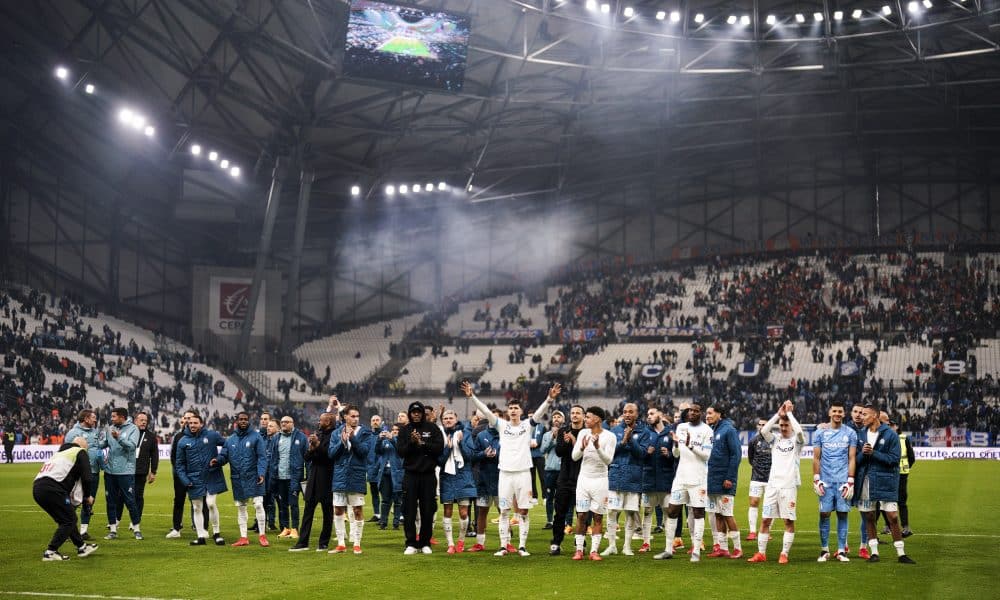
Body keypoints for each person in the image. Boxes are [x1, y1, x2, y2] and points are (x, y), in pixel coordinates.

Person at [463, 380, 561, 557]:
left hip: (523, 473)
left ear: (521, 411)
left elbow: (539, 413)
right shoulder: (502, 425)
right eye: (511, 408)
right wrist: (472, 397)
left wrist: (549, 399)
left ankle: (522, 546)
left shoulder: (527, 425)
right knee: (505, 510)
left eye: (517, 408)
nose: (514, 410)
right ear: (508, 412)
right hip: (505, 474)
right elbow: (485, 410)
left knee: (523, 511)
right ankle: (503, 546)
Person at [853, 403, 916, 564]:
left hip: (885, 480)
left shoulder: (890, 435)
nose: (861, 417)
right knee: (869, 516)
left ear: (874, 416)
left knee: (893, 517)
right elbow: (856, 460)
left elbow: (894, 460)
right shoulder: (860, 434)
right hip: (866, 480)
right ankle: (874, 552)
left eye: (865, 414)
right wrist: (864, 455)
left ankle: (901, 554)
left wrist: (873, 453)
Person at [748, 401, 805, 564]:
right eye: (781, 425)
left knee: (788, 521)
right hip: (772, 487)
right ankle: (761, 553)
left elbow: (800, 432)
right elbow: (764, 430)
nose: (783, 427)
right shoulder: (775, 441)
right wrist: (778, 414)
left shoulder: (797, 442)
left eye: (786, 425)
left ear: (791, 426)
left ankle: (784, 553)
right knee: (765, 520)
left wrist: (790, 414)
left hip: (788, 487)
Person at [656, 403, 712, 561]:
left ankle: (696, 551)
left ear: (700, 413)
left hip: (698, 479)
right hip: (680, 478)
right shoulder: (681, 427)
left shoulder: (707, 431)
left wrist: (690, 445)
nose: (692, 413)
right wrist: (675, 445)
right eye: (690, 411)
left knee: (698, 513)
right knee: (672, 511)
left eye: (696, 411)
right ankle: (668, 549)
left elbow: (706, 456)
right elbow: (676, 454)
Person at [32, 436, 99, 561]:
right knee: (69, 519)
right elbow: (87, 478)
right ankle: (51, 551)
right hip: (53, 488)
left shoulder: (59, 453)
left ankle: (82, 547)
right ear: (82, 446)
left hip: (38, 488)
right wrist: (87, 496)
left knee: (67, 518)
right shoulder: (80, 452)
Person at [397, 401, 445, 555]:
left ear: (423, 413)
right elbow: (400, 451)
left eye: (418, 412)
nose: (416, 414)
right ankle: (410, 543)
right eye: (413, 412)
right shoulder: (405, 430)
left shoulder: (432, 428)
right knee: (409, 510)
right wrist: (411, 443)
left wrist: (422, 443)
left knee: (427, 510)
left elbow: (439, 448)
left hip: (428, 475)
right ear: (410, 414)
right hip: (410, 475)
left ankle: (425, 542)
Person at [812, 400, 857, 562]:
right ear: (829, 413)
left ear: (844, 414)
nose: (837, 414)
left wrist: (850, 480)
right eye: (835, 411)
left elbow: (852, 458)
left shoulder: (850, 433)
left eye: (840, 411)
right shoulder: (820, 433)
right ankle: (824, 550)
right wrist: (816, 479)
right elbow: (816, 458)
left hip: (843, 481)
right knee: (824, 514)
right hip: (826, 481)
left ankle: (841, 551)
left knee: (842, 514)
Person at [602, 402, 649, 556]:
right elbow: (610, 454)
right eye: (624, 412)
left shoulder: (644, 432)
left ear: (636, 414)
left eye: (630, 412)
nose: (627, 414)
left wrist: (630, 440)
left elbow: (642, 454)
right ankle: (612, 545)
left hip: (633, 477)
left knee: (630, 513)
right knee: (612, 512)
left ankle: (627, 546)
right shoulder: (614, 431)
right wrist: (623, 442)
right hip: (616, 475)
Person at [570, 406, 616, 561]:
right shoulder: (583, 433)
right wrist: (582, 447)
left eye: (588, 417)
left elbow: (608, 460)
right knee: (581, 515)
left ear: (597, 419)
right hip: (584, 480)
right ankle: (579, 550)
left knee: (597, 517)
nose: (585, 419)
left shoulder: (610, 437)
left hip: (601, 481)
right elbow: (574, 457)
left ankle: (594, 551)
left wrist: (597, 448)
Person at [174, 412, 227, 546]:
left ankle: (216, 534)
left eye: (195, 423)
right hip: (193, 479)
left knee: (210, 503)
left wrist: (220, 459)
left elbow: (228, 446)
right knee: (197, 507)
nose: (192, 425)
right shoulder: (183, 441)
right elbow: (179, 465)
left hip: (211, 475)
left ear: (201, 424)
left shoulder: (212, 435)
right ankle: (201, 536)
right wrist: (185, 480)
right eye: (190, 423)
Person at [219, 411, 269, 547]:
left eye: (245, 419)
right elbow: (224, 456)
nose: (243, 421)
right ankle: (243, 537)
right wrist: (217, 461)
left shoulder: (256, 437)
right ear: (236, 421)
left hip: (254, 476)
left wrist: (261, 473)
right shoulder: (230, 440)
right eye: (241, 419)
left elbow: (262, 457)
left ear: (249, 421)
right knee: (241, 508)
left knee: (258, 504)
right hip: (238, 478)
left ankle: (262, 535)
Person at [328, 404, 373, 554]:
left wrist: (353, 438)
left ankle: (357, 544)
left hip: (356, 476)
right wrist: (342, 442)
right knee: (338, 509)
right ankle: (341, 543)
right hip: (340, 476)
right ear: (345, 417)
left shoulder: (365, 432)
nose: (355, 419)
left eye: (357, 416)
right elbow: (331, 454)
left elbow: (364, 452)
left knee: (358, 510)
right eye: (352, 416)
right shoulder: (336, 433)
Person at [290, 411, 336, 552]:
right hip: (313, 478)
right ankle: (303, 542)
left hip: (327, 478)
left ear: (328, 422)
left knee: (327, 512)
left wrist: (317, 445)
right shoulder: (319, 434)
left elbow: (330, 456)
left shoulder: (334, 436)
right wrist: (311, 447)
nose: (318, 422)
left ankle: (323, 543)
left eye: (321, 420)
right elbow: (307, 457)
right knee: (308, 511)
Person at [705, 405, 743, 559]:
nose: (706, 416)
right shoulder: (712, 431)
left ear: (719, 414)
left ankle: (738, 548)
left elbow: (736, 455)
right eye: (706, 413)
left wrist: (730, 477)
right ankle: (722, 548)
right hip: (711, 480)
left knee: (727, 514)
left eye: (710, 413)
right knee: (717, 515)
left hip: (724, 480)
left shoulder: (728, 430)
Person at [438, 409, 477, 554]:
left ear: (456, 418)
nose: (448, 420)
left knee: (463, 512)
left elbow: (470, 456)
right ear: (442, 421)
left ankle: (461, 541)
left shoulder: (465, 433)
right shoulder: (440, 435)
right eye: (445, 418)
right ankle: (450, 544)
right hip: (447, 477)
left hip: (463, 476)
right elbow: (439, 461)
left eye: (450, 417)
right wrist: (447, 449)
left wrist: (460, 444)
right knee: (447, 510)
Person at [100, 407, 143, 540]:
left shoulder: (133, 429)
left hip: (126, 471)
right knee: (110, 501)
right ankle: (113, 530)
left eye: (114, 417)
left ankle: (136, 529)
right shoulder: (109, 428)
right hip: (110, 471)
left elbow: (132, 446)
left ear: (122, 417)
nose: (111, 419)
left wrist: (119, 438)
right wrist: (97, 441)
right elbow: (104, 444)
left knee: (130, 501)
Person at [167, 411, 207, 539]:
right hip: (180, 476)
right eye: (186, 418)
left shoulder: (203, 436)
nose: (188, 421)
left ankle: (203, 528)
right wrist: (180, 473)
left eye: (190, 418)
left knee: (201, 501)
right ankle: (176, 528)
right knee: (178, 501)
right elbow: (174, 457)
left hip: (198, 476)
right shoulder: (179, 436)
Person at [642, 407, 675, 555]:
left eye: (652, 414)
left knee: (668, 512)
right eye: (648, 414)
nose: (649, 416)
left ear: (660, 415)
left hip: (666, 479)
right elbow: (639, 455)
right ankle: (646, 542)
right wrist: (645, 453)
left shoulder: (670, 432)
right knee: (647, 512)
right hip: (648, 478)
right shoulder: (645, 433)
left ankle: (669, 545)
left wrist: (669, 454)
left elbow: (678, 457)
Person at [468, 408, 501, 553]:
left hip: (501, 479)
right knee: (482, 511)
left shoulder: (506, 435)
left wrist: (498, 455)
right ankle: (480, 543)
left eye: (497, 418)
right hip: (484, 479)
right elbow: (473, 456)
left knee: (504, 512)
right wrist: (483, 454)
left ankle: (506, 543)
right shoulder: (481, 435)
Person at [65, 410, 101, 540]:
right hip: (77, 474)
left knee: (89, 501)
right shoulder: (73, 433)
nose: (95, 420)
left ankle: (83, 531)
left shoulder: (95, 432)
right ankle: (68, 529)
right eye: (93, 418)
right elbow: (66, 451)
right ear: (86, 418)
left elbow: (98, 449)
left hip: (94, 472)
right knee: (72, 502)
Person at [271, 415, 307, 540]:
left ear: (293, 423)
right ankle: (286, 528)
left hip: (294, 477)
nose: (284, 424)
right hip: (280, 477)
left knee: (294, 504)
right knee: (282, 504)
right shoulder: (276, 438)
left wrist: (307, 476)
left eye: (286, 422)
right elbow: (273, 458)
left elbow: (307, 458)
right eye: (282, 422)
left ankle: (295, 529)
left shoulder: (301, 437)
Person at [846, 402, 870, 558]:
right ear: (851, 413)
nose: (858, 414)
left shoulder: (870, 431)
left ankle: (863, 547)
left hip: (864, 478)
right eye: (855, 411)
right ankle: (844, 546)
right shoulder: (844, 429)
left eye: (861, 412)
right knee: (843, 513)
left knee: (866, 514)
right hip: (846, 477)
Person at [128, 413, 158, 529]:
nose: (144, 422)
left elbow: (155, 455)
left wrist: (153, 471)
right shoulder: (129, 434)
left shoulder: (151, 436)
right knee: (122, 495)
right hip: (125, 470)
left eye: (145, 420)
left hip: (141, 471)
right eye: (141, 420)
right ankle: (116, 520)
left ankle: (135, 521)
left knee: (138, 496)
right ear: (135, 421)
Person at [746, 417, 771, 542]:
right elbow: (750, 459)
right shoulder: (753, 441)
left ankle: (767, 531)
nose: (762, 427)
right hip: (756, 477)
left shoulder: (774, 440)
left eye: (764, 424)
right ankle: (752, 531)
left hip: (771, 479)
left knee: (769, 505)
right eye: (760, 424)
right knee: (754, 503)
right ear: (757, 426)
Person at [375, 423, 404, 530]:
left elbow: (401, 451)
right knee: (385, 500)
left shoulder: (403, 442)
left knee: (397, 500)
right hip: (385, 473)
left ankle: (396, 523)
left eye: (397, 430)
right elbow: (377, 451)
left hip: (397, 474)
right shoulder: (385, 441)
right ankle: (383, 523)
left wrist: (392, 439)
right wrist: (379, 439)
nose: (394, 431)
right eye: (393, 429)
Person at [540, 411, 564, 530]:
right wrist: (553, 438)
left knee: (562, 497)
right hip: (550, 470)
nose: (556, 419)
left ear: (563, 420)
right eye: (554, 417)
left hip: (563, 470)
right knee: (549, 497)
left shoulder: (567, 434)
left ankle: (562, 521)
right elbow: (542, 450)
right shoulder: (546, 435)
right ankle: (549, 521)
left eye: (559, 417)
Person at [366, 414, 384, 524]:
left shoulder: (384, 435)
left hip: (382, 469)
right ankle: (377, 514)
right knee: (374, 492)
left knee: (384, 492)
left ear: (381, 422)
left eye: (377, 420)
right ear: (370, 422)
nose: (375, 422)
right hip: (371, 468)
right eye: (373, 420)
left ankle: (385, 514)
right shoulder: (367, 436)